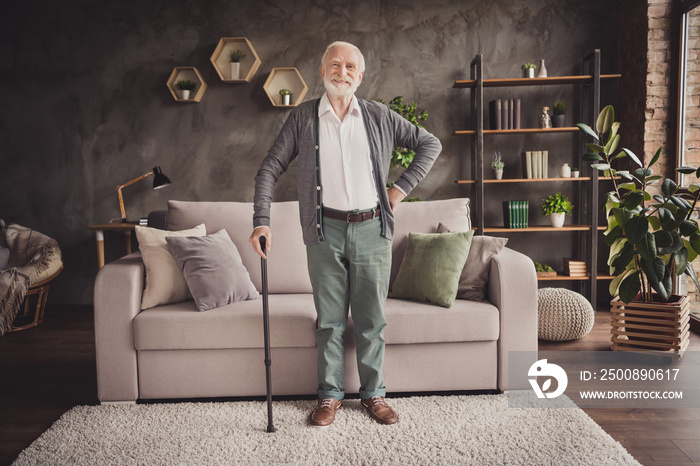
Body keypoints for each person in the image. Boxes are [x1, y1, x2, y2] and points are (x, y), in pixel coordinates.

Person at [249, 41, 441, 427]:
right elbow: (269, 167)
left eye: (351, 66)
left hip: (373, 229)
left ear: (361, 75)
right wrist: (261, 219)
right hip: (324, 232)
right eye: (335, 65)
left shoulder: (378, 115)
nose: (343, 72)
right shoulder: (303, 118)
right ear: (321, 71)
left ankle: (373, 395)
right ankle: (329, 397)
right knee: (330, 322)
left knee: (372, 319)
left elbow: (429, 144)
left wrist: (398, 190)